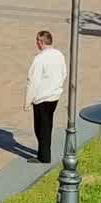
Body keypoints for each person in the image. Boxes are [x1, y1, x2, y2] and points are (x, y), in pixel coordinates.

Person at [24, 30, 67, 164]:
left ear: (41, 42)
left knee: (40, 127)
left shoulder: (40, 59)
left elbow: (33, 81)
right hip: (54, 96)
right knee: (48, 124)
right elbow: (63, 73)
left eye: (37, 41)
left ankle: (44, 156)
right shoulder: (59, 54)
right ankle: (44, 152)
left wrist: (27, 101)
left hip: (42, 98)